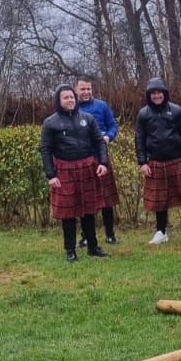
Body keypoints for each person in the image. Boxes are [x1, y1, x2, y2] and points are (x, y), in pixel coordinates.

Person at [40, 85, 109, 261]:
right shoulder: (50, 123)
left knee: (89, 210)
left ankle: (93, 247)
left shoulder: (87, 118)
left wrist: (103, 163)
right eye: (66, 98)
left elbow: (99, 141)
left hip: (87, 167)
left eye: (72, 97)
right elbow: (46, 150)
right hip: (64, 170)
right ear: (58, 101)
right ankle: (70, 250)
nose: (70, 100)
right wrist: (51, 175)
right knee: (68, 213)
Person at [134, 79, 181, 244]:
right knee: (160, 200)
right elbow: (139, 139)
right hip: (155, 162)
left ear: (164, 93)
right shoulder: (143, 114)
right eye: (153, 93)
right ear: (149, 95)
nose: (156, 96)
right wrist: (142, 162)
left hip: (178, 160)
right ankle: (161, 231)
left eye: (159, 92)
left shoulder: (176, 110)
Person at [75, 75, 120, 245]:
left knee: (106, 198)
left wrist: (109, 136)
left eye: (88, 89)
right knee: (86, 199)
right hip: (81, 159)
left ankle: (110, 234)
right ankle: (87, 236)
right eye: (82, 89)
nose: (86, 92)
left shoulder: (101, 106)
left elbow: (112, 125)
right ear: (76, 89)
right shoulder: (73, 108)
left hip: (101, 157)